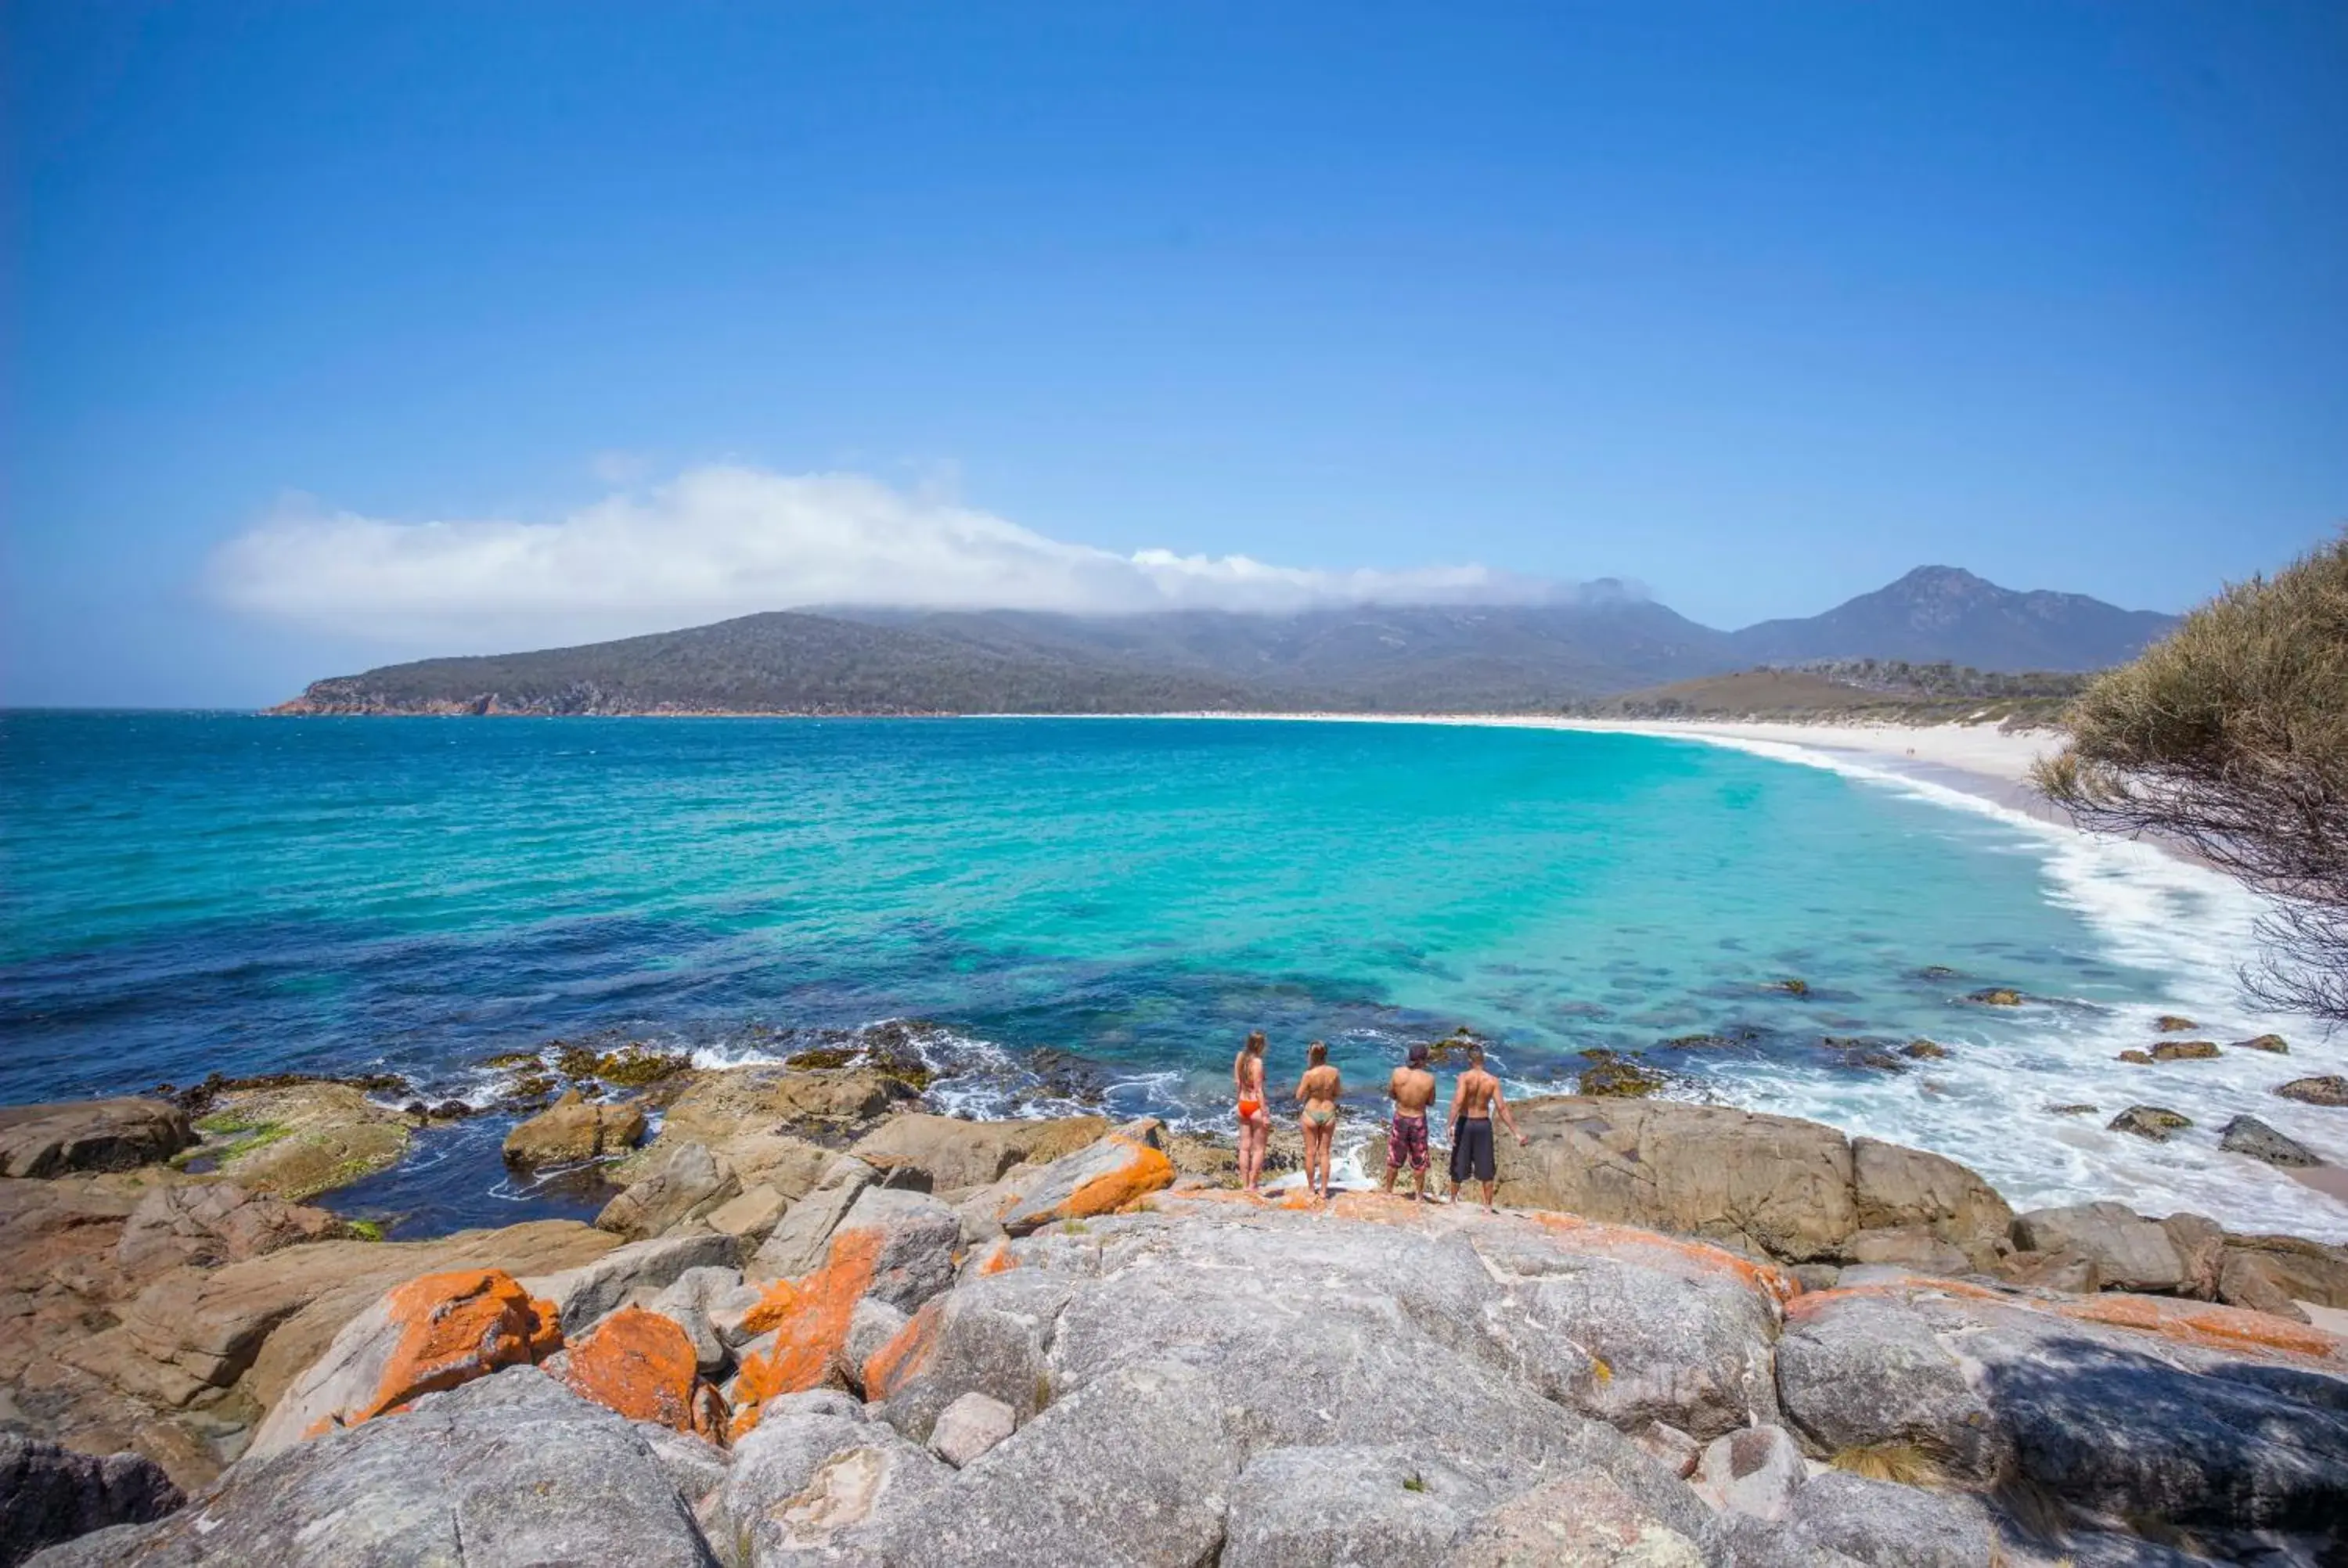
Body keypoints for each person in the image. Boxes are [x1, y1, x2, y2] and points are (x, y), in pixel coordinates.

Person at [1446, 1043, 1528, 1213]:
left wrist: (1450, 1125)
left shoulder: (1464, 1077)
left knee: (1459, 1161)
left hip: (1466, 1123)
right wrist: (1517, 1133)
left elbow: (1458, 1101)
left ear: (1469, 1059)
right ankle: (1488, 1207)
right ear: (1483, 1059)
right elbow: (1502, 1108)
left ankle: (1453, 1201)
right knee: (1486, 1166)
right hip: (1483, 1124)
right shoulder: (1492, 1081)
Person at [1381, 1041, 1439, 1201]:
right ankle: (1419, 1196)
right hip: (1418, 1120)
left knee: (1394, 1157)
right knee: (1419, 1159)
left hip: (1401, 1117)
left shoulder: (1397, 1073)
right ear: (1421, 1060)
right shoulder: (1429, 1079)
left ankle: (1388, 1191)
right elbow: (1431, 1102)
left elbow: (1392, 1094)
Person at [1294, 1041, 1342, 1202]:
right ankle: (1323, 1190)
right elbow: (1338, 1092)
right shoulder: (1334, 1072)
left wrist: (1311, 1091)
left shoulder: (1309, 1075)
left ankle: (1310, 1189)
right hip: (1328, 1113)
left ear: (1311, 1055)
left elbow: (1299, 1096)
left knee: (1310, 1152)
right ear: (1325, 1054)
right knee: (1325, 1153)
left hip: (1311, 1112)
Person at [1233, 1030, 1271, 1196]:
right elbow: (1259, 1091)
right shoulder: (1258, 1063)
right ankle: (1253, 1185)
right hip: (1255, 1106)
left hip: (1242, 1104)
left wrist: (1240, 1102)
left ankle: (1244, 1184)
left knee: (1244, 1148)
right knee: (1258, 1149)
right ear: (1260, 1045)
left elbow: (1237, 1082)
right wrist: (1265, 1114)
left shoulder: (1240, 1057)